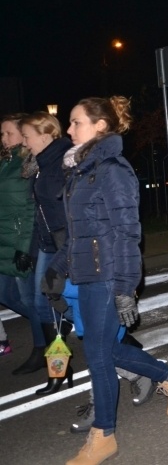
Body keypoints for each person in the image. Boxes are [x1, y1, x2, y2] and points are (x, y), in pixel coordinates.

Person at [43, 96, 168, 464]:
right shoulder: (80, 169)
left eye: (76, 122)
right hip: (86, 273)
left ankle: (104, 435)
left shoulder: (113, 169)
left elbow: (129, 233)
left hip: (109, 275)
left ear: (100, 126)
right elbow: (79, 233)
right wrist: (56, 268)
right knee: (105, 352)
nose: (69, 129)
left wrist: (127, 287)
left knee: (98, 357)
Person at [18, 112, 74, 388]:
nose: (24, 143)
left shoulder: (64, 161)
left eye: (27, 136)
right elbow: (40, 212)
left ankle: (128, 347)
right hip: (47, 244)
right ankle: (59, 370)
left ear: (45, 135)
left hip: (67, 244)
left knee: (82, 306)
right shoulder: (39, 164)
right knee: (43, 306)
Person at [0, 114, 42, 376]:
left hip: (19, 241)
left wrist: (23, 247)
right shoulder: (5, 162)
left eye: (9, 133)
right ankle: (50, 322)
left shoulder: (29, 163)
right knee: (5, 294)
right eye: (2, 134)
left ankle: (40, 348)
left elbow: (30, 208)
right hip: (3, 240)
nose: (4, 139)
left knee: (29, 298)